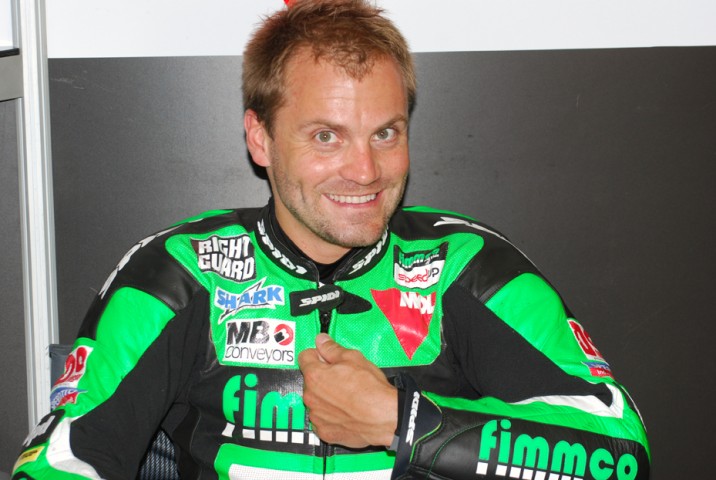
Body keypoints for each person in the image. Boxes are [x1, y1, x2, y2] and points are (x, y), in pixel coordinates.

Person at [12, 0, 650, 479]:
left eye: (385, 133)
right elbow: (60, 462)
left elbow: (622, 454)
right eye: (326, 136)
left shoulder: (469, 266)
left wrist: (402, 422)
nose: (366, 172)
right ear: (260, 139)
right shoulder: (177, 275)